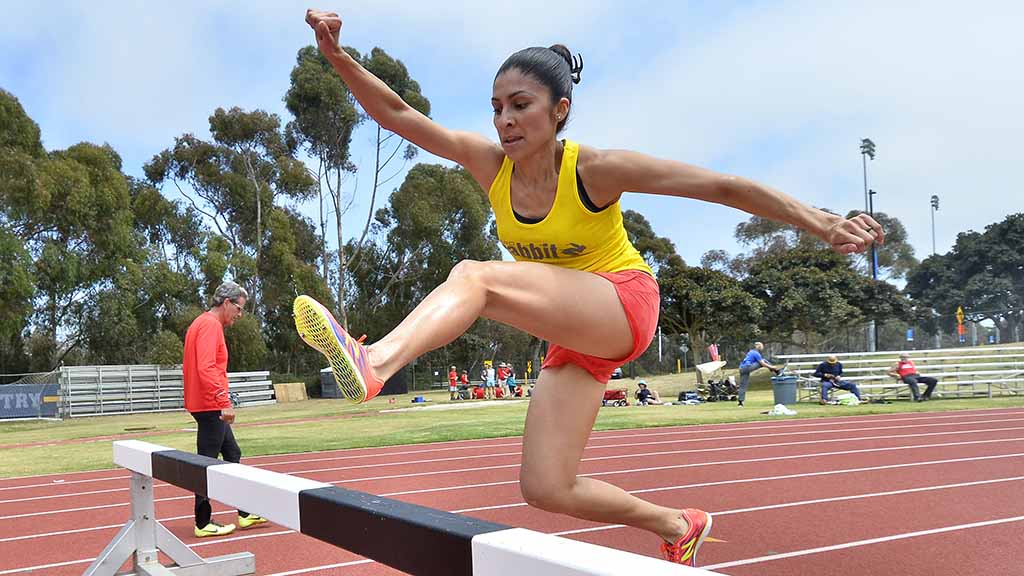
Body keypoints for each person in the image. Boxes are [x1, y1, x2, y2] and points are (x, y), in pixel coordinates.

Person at [298, 9, 884, 566]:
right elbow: (399, 115)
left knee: (475, 277)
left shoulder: (593, 169)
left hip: (623, 303)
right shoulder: (489, 165)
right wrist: (337, 55)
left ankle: (373, 361)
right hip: (572, 331)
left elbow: (722, 186)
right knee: (546, 487)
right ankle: (678, 526)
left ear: (560, 110)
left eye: (520, 106)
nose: (504, 120)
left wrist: (823, 222)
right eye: (496, 107)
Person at [183, 281, 267, 538]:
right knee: (206, 464)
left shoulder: (203, 323)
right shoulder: (210, 325)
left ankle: (244, 513)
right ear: (227, 303)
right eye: (239, 309)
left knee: (232, 452)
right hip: (209, 405)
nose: (240, 315)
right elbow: (206, 368)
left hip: (205, 403)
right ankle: (202, 522)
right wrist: (223, 402)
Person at [737, 342, 784, 407]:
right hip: (747, 368)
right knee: (763, 361)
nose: (762, 347)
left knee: (743, 385)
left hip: (741, 369)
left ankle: (740, 403)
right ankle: (777, 371)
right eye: (762, 346)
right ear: (758, 346)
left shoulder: (751, 352)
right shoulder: (756, 353)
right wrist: (772, 367)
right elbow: (763, 364)